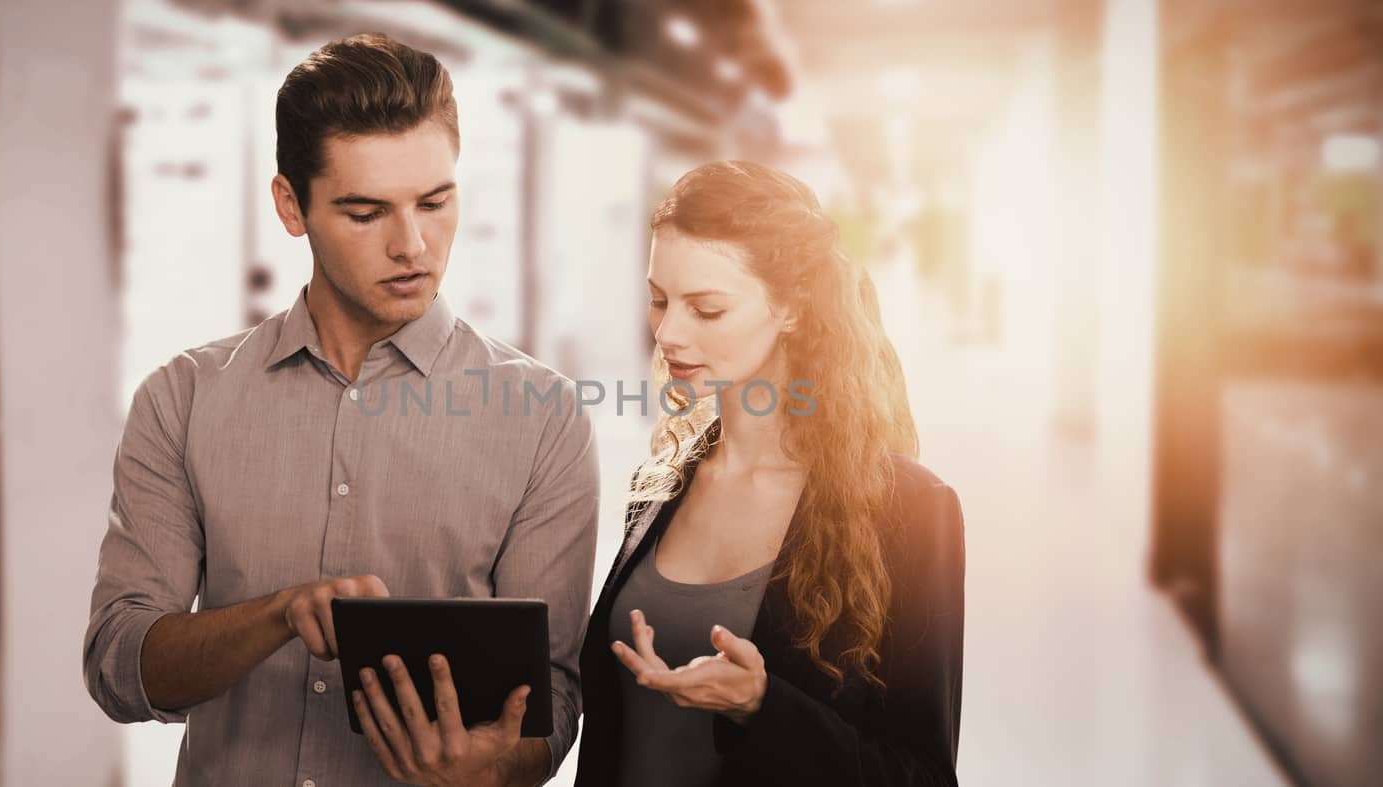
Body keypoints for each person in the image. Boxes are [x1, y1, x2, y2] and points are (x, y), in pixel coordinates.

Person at [82, 34, 599, 787]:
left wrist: (485, 775)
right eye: (366, 212)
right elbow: (119, 666)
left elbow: (553, 696)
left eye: (435, 201)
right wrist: (277, 615)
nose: (413, 244)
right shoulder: (182, 398)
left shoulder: (543, 417)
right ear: (291, 206)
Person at [574, 161, 965, 786]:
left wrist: (763, 704)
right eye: (658, 300)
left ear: (791, 308)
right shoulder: (662, 482)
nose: (668, 332)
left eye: (706, 310)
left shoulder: (910, 508)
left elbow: (921, 775)